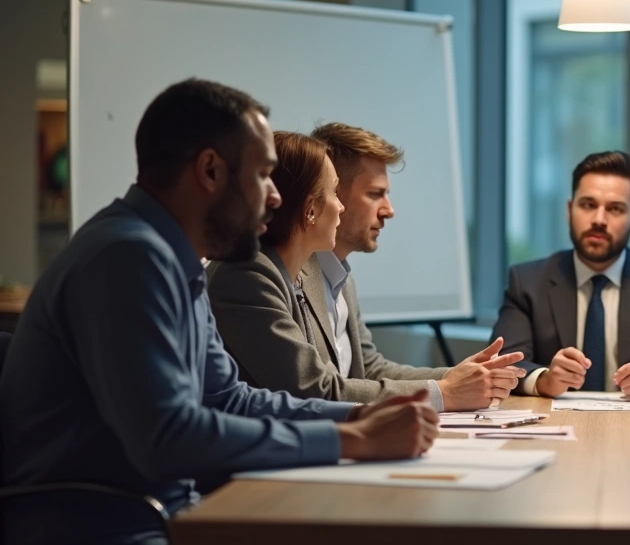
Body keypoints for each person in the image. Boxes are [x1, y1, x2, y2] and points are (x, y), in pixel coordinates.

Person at [0, 79, 439, 545]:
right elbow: (168, 439)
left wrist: (356, 418)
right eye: (263, 175)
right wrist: (356, 440)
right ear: (210, 171)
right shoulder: (127, 258)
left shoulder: (176, 260)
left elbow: (229, 398)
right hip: (104, 528)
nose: (275, 197)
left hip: (165, 514)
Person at [209, 126, 523, 412]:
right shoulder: (251, 275)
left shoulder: (339, 278)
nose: (389, 210)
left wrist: (458, 378)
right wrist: (444, 392)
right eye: (374, 194)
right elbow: (313, 389)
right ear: (311, 207)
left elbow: (365, 369)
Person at [491, 151, 630, 400]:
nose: (599, 219)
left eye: (615, 209)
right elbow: (503, 363)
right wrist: (544, 380)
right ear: (569, 210)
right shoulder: (527, 282)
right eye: (588, 205)